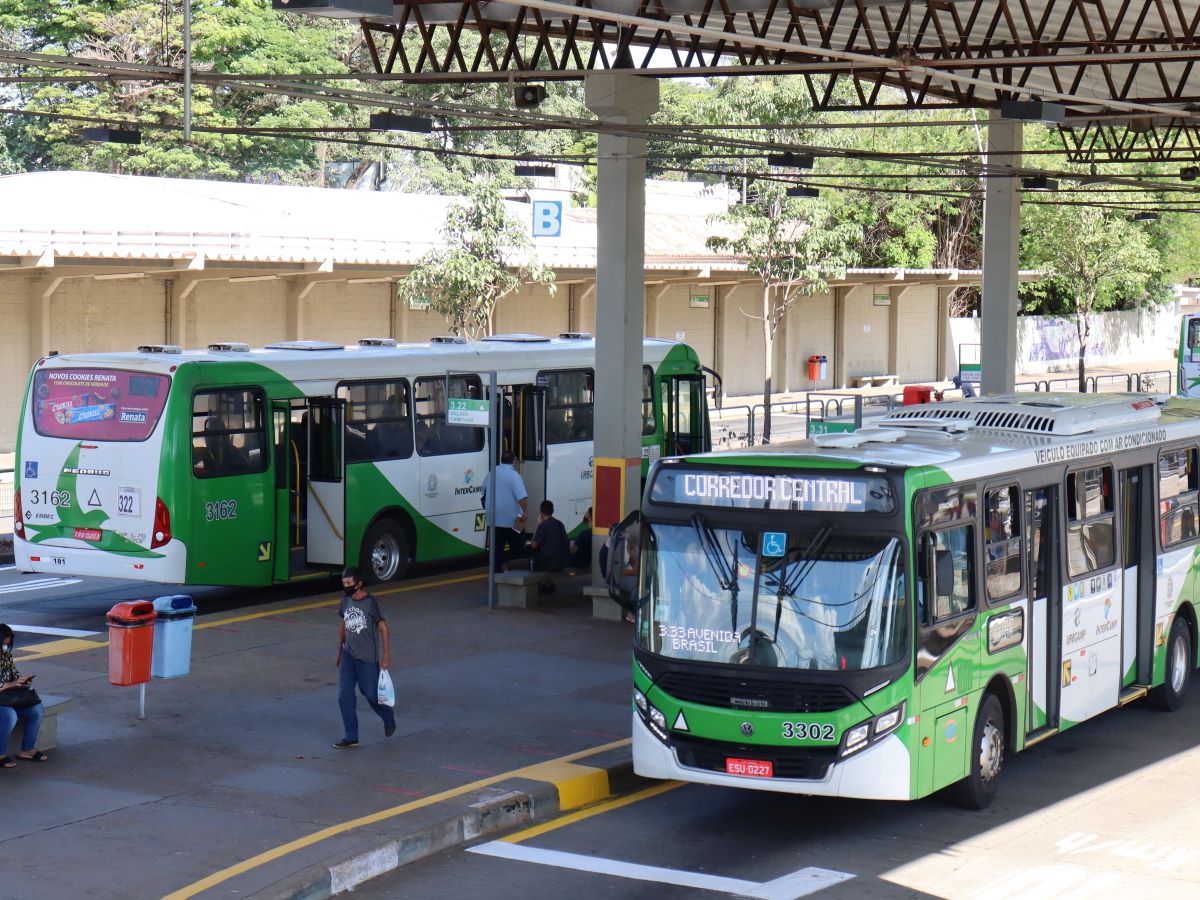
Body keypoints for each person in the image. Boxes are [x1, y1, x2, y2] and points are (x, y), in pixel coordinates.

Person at [334, 567, 395, 749]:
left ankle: (387, 716)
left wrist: (386, 655)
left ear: (359, 584)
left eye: (349, 583)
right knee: (344, 695)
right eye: (344, 583)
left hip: (367, 657)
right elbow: (344, 625)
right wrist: (339, 651)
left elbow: (383, 627)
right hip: (348, 655)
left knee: (370, 694)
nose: (345, 586)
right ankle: (351, 736)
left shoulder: (370, 602)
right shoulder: (345, 601)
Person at [0, 624, 49, 767]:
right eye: (2, 644)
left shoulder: (6, 656)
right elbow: (8, 683)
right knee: (9, 716)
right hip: (4, 701)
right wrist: (10, 684)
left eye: (7, 645)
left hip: (6, 699)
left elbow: (14, 676)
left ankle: (27, 750)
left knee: (36, 709)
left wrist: (22, 681)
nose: (4, 648)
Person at [482, 450, 528, 572]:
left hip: (494, 520)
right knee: (517, 550)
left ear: (501, 460)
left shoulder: (492, 473)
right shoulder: (514, 475)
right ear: (514, 461)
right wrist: (525, 512)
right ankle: (516, 573)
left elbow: (483, 491)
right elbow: (521, 497)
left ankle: (496, 573)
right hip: (513, 521)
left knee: (497, 550)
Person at [504, 500, 569, 585]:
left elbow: (533, 545)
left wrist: (538, 525)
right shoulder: (560, 524)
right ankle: (546, 584)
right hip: (560, 564)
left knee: (509, 564)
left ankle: (508, 585)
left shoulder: (543, 525)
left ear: (541, 512)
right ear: (553, 510)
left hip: (546, 564)